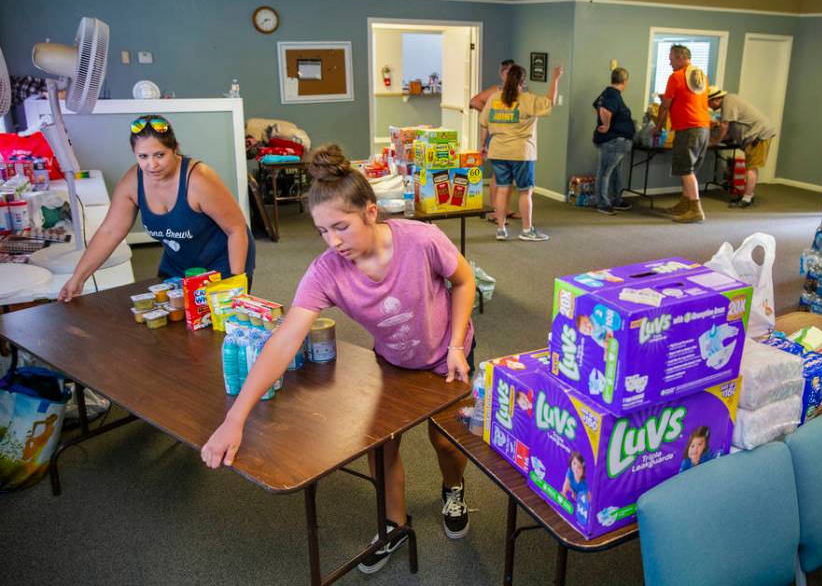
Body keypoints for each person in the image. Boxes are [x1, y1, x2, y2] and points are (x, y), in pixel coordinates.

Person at [200, 144, 476, 575]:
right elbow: (284, 340)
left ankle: (453, 488)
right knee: (380, 444)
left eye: (341, 227)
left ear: (370, 212)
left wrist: (458, 344)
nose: (332, 242)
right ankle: (392, 526)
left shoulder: (421, 240)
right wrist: (235, 418)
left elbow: (463, 281)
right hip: (393, 362)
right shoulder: (327, 270)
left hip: (447, 355)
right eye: (322, 231)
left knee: (446, 440)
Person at [58, 115, 255, 301]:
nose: (152, 165)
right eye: (143, 156)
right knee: (171, 321)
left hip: (222, 260)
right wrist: (78, 277)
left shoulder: (199, 179)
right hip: (178, 263)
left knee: (218, 324)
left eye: (160, 155)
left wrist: (235, 283)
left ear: (175, 149)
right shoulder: (133, 182)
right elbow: (110, 231)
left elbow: (236, 229)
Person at [480, 63, 563, 242]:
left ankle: (501, 229)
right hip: (521, 153)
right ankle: (526, 230)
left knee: (502, 190)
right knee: (525, 191)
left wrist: (483, 145)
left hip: (498, 151)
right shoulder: (528, 99)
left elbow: (484, 123)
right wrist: (555, 80)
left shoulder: (494, 98)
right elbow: (550, 102)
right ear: (522, 81)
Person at [653, 45, 710, 224]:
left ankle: (695, 209)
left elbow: (665, 105)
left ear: (680, 57)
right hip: (703, 128)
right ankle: (685, 204)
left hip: (688, 128)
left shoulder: (676, 76)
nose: (669, 62)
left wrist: (658, 126)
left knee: (685, 169)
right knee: (689, 169)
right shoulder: (700, 75)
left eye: (671, 58)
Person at [707, 87, 776, 208]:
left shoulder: (728, 102)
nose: (708, 106)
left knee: (751, 167)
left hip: (758, 135)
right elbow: (732, 125)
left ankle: (747, 199)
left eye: (708, 102)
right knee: (751, 166)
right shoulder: (729, 101)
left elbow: (725, 126)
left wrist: (714, 141)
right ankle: (748, 194)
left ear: (715, 99)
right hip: (757, 133)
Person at [470, 59, 517, 225]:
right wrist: (491, 114)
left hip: (513, 140)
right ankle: (495, 213)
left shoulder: (518, 92)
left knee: (509, 177)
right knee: (498, 176)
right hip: (497, 138)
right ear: (503, 74)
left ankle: (505, 209)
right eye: (510, 73)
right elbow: (474, 101)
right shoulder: (496, 91)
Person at [593, 67, 636, 215]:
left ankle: (616, 200)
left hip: (616, 142)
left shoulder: (606, 93)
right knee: (604, 172)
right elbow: (604, 110)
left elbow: (597, 107)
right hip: (613, 141)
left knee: (615, 172)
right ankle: (602, 203)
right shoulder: (613, 95)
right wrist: (606, 125)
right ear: (625, 81)